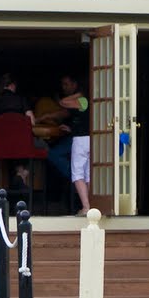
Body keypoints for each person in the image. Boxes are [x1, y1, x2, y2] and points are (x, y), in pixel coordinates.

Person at [44, 74, 91, 214]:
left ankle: (86, 206)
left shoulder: (83, 100)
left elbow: (63, 102)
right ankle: (91, 205)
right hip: (91, 138)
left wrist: (79, 94)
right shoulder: (94, 101)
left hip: (80, 140)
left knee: (77, 173)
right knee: (88, 174)